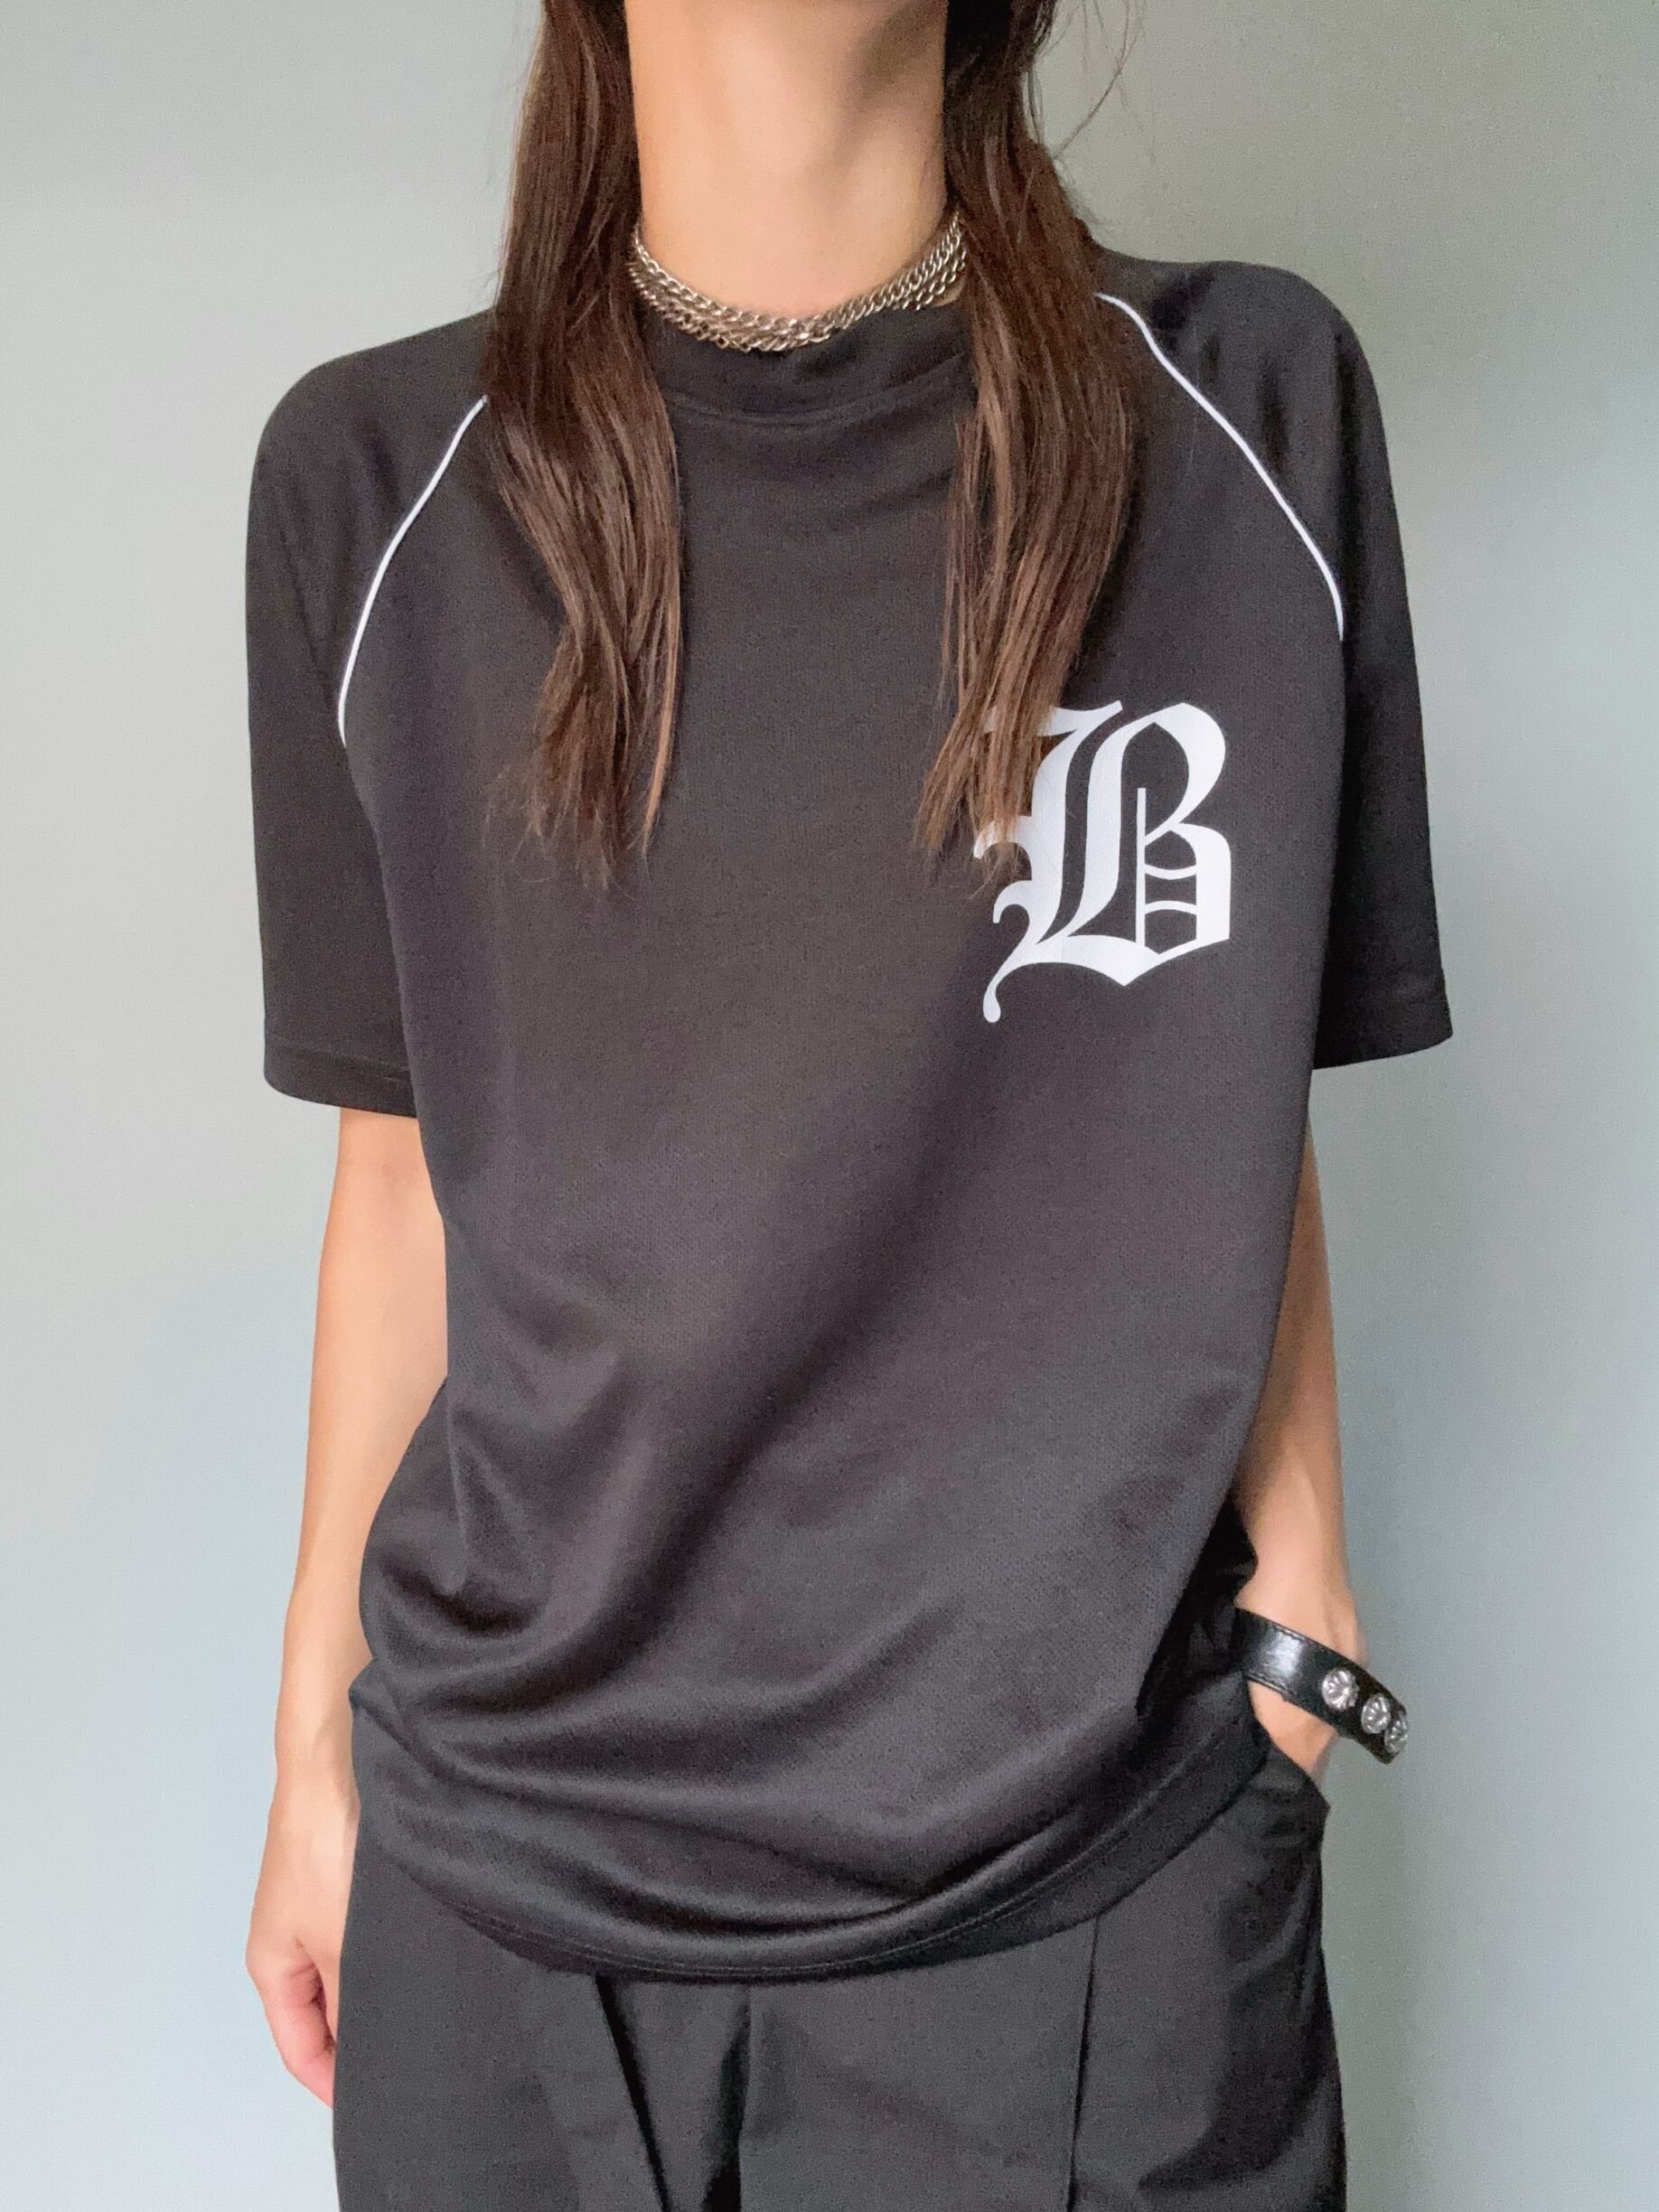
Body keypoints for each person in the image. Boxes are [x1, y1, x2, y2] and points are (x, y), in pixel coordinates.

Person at [243, 2, 1450, 2205]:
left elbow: (1227, 1062)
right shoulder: (375, 476)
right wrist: (311, 1752)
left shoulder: (1249, 414)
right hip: (503, 1911)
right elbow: (406, 1172)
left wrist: (1309, 1611)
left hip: (1094, 1884)